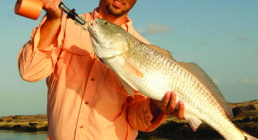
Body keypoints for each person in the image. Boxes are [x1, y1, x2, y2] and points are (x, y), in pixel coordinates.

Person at [17, 0, 185, 139]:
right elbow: (29, 71)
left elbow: (137, 120)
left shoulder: (148, 53)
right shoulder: (64, 25)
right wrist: (53, 20)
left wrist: (158, 104)